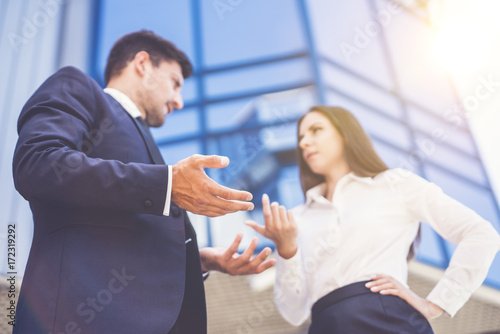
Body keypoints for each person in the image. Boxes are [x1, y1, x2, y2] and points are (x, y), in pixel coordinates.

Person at [12, 30, 276, 334]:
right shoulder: (76, 86)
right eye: (175, 83)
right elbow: (38, 162)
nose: (178, 101)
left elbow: (125, 227)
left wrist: (198, 260)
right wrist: (167, 185)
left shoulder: (146, 138)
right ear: (142, 63)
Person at [246, 105, 500, 334]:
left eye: (316, 130)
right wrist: (287, 250)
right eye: (301, 137)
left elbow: (481, 234)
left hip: (387, 320)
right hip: (324, 325)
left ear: (346, 134)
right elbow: (294, 313)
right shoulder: (297, 218)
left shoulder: (395, 184)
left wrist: (436, 303)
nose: (304, 143)